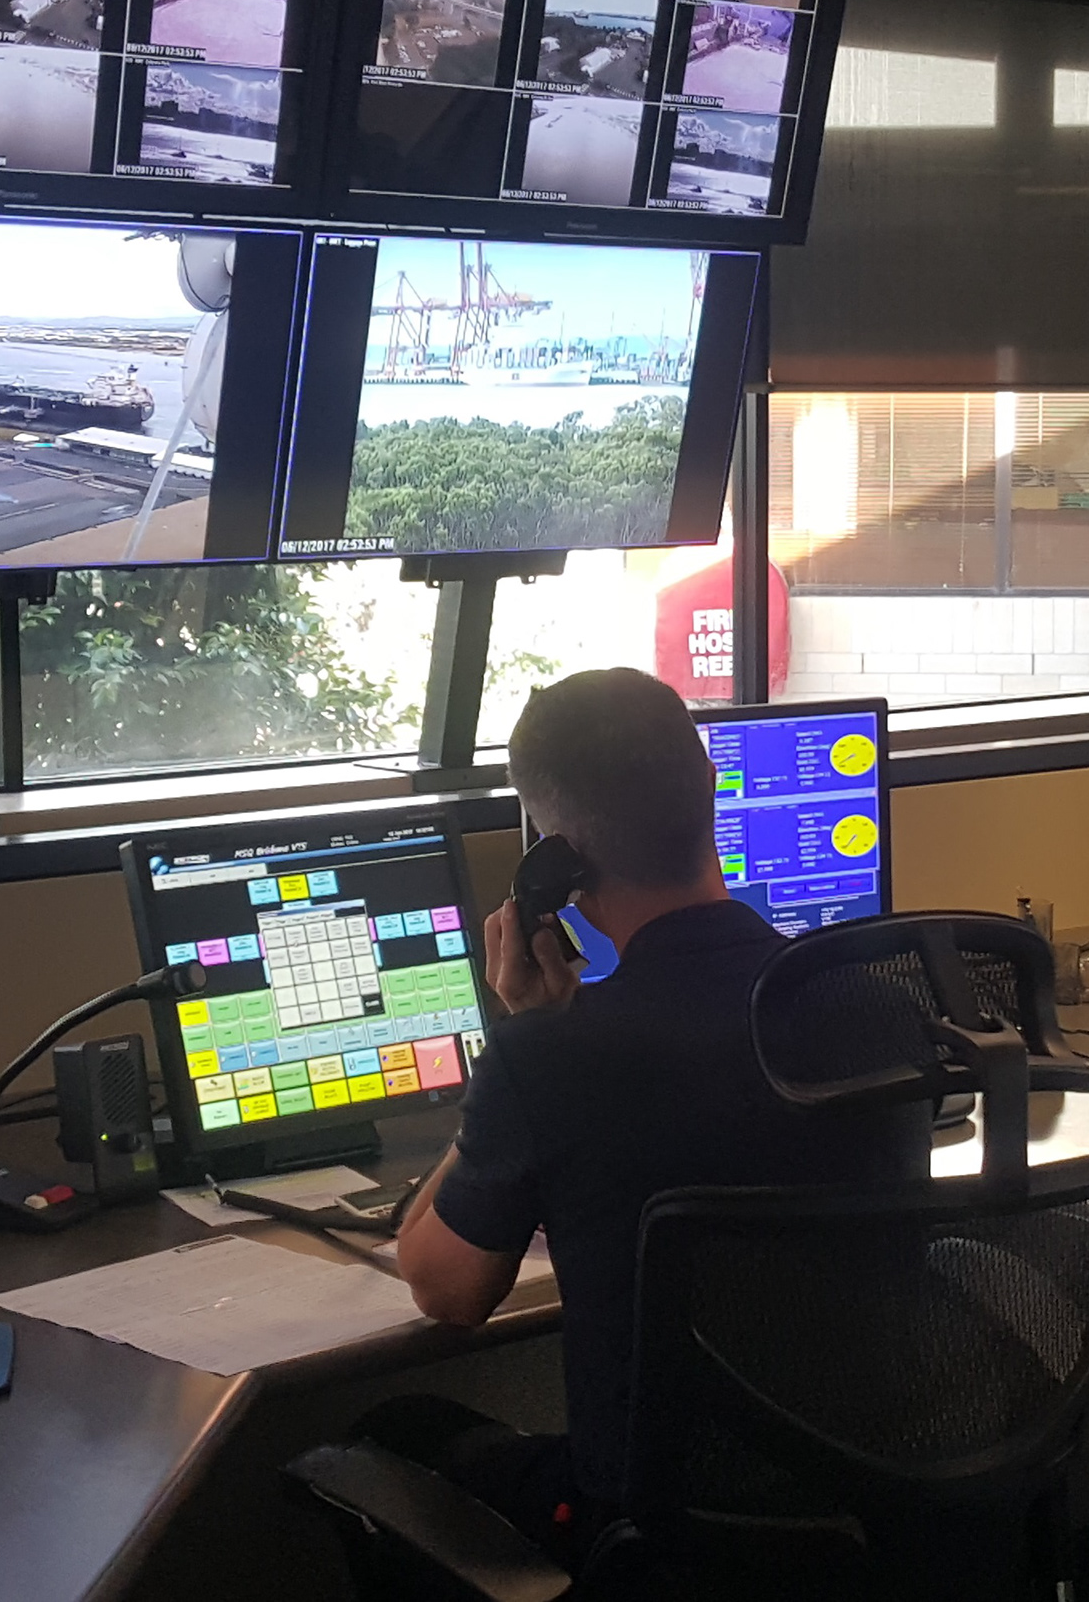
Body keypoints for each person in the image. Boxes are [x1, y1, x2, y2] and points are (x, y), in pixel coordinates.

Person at [376, 668, 921, 1565]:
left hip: (653, 1539)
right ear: (709, 795)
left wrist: (517, 1046)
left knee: (398, 1426)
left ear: (554, 863)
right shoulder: (874, 1005)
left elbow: (444, 1287)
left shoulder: (554, 1055)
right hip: (869, 1511)